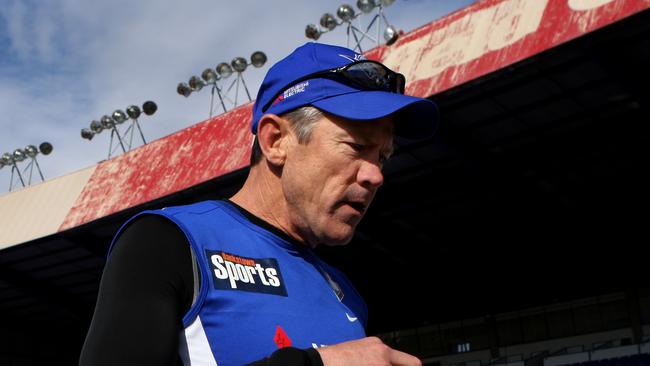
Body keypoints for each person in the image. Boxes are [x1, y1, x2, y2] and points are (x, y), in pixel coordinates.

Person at [79, 42, 439, 366]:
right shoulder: (167, 242)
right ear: (275, 140)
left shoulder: (347, 295)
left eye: (384, 157)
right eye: (357, 147)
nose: (375, 175)